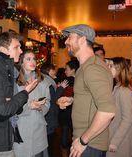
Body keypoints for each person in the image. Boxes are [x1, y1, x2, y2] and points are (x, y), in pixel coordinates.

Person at [0, 31, 38, 157]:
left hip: (4, 136)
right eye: (16, 47)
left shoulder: (6, 72)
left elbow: (15, 109)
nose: (21, 51)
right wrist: (25, 93)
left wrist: (12, 102)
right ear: (3, 49)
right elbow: (2, 112)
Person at [57, 24, 116, 157]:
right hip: (86, 143)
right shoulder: (85, 67)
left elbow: (108, 111)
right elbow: (92, 97)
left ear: (82, 40)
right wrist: (72, 99)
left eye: (70, 37)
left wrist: (83, 141)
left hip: (89, 145)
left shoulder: (92, 68)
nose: (66, 41)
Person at [14, 50, 50, 157]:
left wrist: (40, 107)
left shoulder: (42, 81)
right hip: (21, 127)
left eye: (34, 59)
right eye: (28, 59)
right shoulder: (15, 83)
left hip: (38, 127)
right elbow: (12, 107)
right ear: (21, 62)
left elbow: (47, 102)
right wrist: (29, 106)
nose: (32, 61)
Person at [106, 57, 132, 157]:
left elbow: (127, 119)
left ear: (119, 69)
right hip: (118, 134)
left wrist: (115, 141)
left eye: (111, 66)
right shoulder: (118, 87)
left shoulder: (123, 91)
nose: (108, 68)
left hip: (122, 139)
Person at [41, 63, 68, 157]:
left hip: (48, 116)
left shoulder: (45, 79)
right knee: (49, 143)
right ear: (49, 71)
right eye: (53, 70)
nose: (55, 71)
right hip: (49, 117)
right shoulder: (47, 82)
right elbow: (52, 99)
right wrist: (61, 88)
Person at [59, 60, 79, 157]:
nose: (65, 72)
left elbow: (61, 94)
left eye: (67, 69)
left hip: (66, 108)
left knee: (65, 130)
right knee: (73, 130)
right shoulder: (80, 79)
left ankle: (64, 151)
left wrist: (59, 88)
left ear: (73, 70)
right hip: (75, 109)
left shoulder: (67, 80)